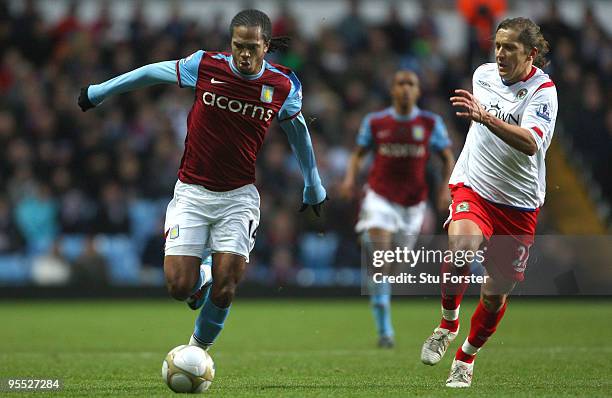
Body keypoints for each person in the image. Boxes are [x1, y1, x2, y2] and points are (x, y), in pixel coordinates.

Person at [78, 9, 327, 352]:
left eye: (252, 47)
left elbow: (298, 133)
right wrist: (100, 91)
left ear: (266, 46)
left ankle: (196, 353)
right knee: (179, 286)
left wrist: (313, 183)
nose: (244, 54)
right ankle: (203, 276)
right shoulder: (205, 65)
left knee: (226, 287)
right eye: (238, 45)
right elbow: (152, 72)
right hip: (192, 193)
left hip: (238, 198)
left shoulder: (283, 85)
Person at [420, 17, 557, 388]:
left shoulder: (543, 92)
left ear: (530, 54)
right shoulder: (482, 75)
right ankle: (448, 324)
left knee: (494, 297)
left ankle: (465, 358)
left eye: (509, 47)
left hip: (518, 204)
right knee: (461, 247)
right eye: (497, 45)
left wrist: (484, 117)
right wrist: (479, 119)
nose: (500, 53)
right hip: (475, 186)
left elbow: (531, 142)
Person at [340, 70, 455, 348]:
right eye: (400, 84)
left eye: (411, 84)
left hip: (413, 205)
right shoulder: (376, 122)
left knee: (395, 268)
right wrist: (348, 179)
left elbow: (447, 157)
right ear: (392, 90)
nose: (405, 88)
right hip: (380, 196)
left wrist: (444, 189)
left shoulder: (430, 123)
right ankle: (385, 332)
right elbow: (358, 154)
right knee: (381, 258)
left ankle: (369, 239)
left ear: (417, 91)